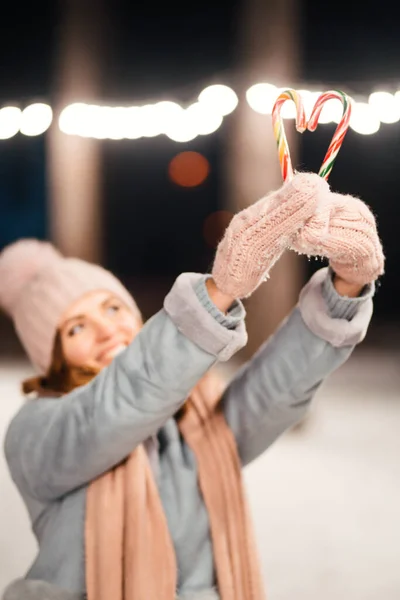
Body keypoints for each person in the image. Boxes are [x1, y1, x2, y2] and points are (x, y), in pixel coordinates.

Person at [0, 173, 384, 600]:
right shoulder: (36, 432)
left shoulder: (191, 416)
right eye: (76, 329)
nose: (106, 329)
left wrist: (345, 287)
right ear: (50, 355)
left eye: (112, 307)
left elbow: (271, 394)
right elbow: (120, 405)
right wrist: (220, 290)